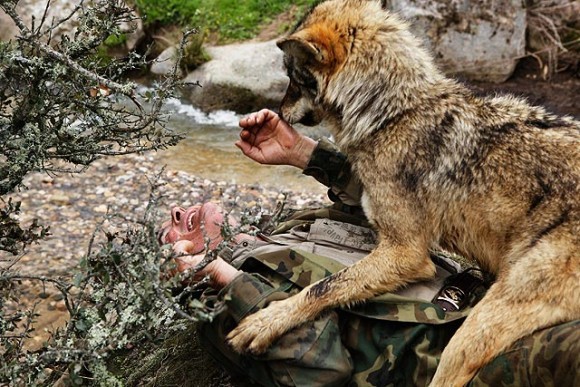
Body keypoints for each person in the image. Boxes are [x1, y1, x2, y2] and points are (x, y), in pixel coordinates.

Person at [158, 109, 579, 386]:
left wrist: (305, 153)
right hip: (460, 359)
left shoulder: (289, 230)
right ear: (184, 265)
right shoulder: (226, 305)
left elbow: (398, 209)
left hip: (508, 291)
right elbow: (322, 371)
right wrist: (222, 279)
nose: (176, 212)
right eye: (166, 235)